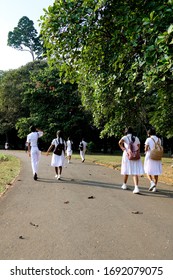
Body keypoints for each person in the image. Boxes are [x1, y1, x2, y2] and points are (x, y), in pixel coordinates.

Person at [118, 127, 144, 194]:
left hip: (127, 155)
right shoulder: (136, 138)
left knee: (126, 169)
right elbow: (138, 147)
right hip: (135, 156)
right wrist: (135, 154)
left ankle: (124, 184)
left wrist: (123, 148)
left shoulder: (125, 137)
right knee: (135, 172)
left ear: (126, 131)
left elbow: (119, 142)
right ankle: (136, 187)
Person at [144, 128, 162, 192]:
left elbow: (146, 149)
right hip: (157, 156)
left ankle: (152, 182)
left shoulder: (148, 139)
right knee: (156, 172)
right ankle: (155, 188)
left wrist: (146, 150)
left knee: (147, 170)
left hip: (150, 156)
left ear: (149, 133)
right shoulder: (159, 139)